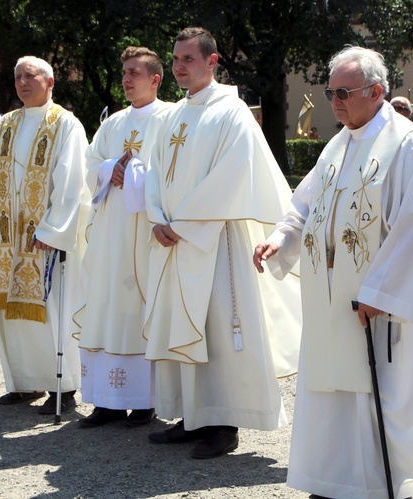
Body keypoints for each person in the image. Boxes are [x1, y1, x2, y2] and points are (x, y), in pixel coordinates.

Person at [253, 46, 413, 499]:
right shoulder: (338, 143)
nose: (335, 102)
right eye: (331, 92)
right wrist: (280, 239)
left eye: (344, 92)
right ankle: (333, 478)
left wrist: (379, 292)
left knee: (378, 395)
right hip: (330, 297)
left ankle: (372, 485)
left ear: (377, 91)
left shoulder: (406, 141)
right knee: (330, 391)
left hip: (375, 302)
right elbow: (303, 206)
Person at [143, 27, 301, 459]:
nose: (178, 66)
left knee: (217, 329)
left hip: (215, 242)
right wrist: (158, 217)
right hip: (176, 241)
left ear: (212, 62)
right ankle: (192, 416)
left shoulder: (232, 112)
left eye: (188, 59)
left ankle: (223, 424)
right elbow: (154, 170)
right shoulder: (173, 115)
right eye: (175, 59)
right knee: (184, 324)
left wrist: (184, 223)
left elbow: (232, 176)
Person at [0, 56, 90, 413]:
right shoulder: (6, 124)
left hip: (44, 242)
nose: (22, 83)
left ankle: (60, 388)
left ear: (49, 83)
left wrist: (52, 229)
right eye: (17, 77)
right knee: (10, 316)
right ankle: (22, 382)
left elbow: (71, 182)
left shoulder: (66, 124)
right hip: (7, 240)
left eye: (29, 76)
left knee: (51, 311)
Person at [75, 47, 172, 428]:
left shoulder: (170, 119)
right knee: (108, 304)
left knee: (142, 307)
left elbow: (172, 170)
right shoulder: (113, 123)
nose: (127, 79)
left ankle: (144, 399)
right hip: (113, 231)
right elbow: (90, 164)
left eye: (134, 72)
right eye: (124, 73)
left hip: (148, 229)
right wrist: (107, 169)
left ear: (155, 79)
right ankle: (107, 400)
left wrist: (136, 173)